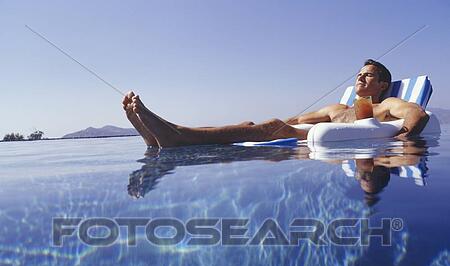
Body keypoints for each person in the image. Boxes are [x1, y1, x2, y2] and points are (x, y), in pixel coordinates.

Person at [122, 59, 429, 147]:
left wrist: (403, 141)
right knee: (254, 125)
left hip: (322, 148)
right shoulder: (337, 109)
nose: (360, 79)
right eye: (359, 75)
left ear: (383, 84)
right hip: (310, 141)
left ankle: (174, 135)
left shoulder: (386, 103)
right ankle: (160, 134)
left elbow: (417, 114)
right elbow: (293, 118)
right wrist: (256, 128)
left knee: (272, 127)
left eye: (368, 76)